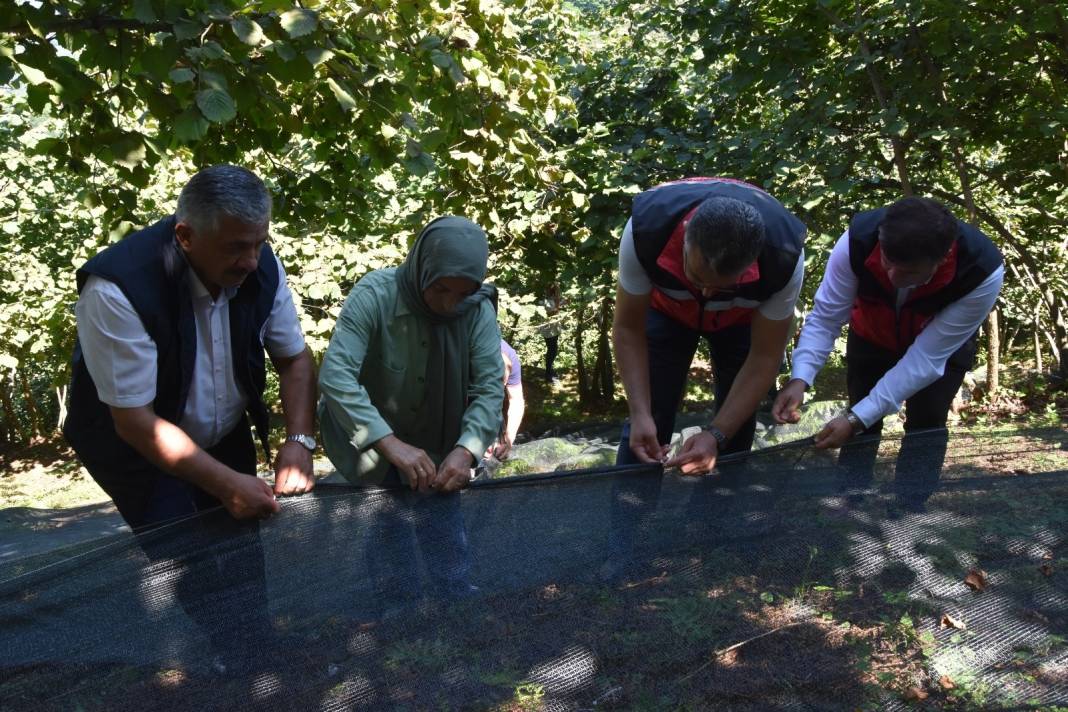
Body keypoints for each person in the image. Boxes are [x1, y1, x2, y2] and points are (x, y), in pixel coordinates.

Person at [62, 164, 317, 670]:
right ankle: (234, 661)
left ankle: (257, 650)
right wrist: (226, 484)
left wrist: (300, 441)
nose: (250, 261)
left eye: (258, 243)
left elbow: (295, 360)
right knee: (184, 552)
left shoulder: (262, 264)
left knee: (243, 537)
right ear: (185, 236)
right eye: (235, 248)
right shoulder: (117, 287)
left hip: (222, 428)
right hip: (132, 442)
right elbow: (135, 422)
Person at [317, 216, 503, 601]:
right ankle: (398, 622)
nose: (450, 303)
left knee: (446, 534)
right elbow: (336, 377)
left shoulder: (476, 309)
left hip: (442, 446)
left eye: (463, 291)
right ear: (422, 268)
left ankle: (454, 607)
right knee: (390, 537)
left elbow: (488, 389)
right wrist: (389, 443)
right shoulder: (374, 296)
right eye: (440, 289)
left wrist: (466, 450)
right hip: (376, 451)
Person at [772, 196, 1003, 477]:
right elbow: (826, 316)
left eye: (909, 272)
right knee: (861, 408)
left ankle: (909, 506)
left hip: (940, 349)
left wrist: (856, 419)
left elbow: (925, 359)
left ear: (942, 259)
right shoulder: (857, 241)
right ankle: (851, 495)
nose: (893, 276)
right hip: (871, 334)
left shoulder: (981, 270)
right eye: (887, 262)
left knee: (927, 420)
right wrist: (801, 378)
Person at [614, 177, 807, 473]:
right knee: (648, 417)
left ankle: (718, 513)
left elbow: (765, 356)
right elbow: (628, 328)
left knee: (736, 427)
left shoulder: (783, 254)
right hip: (667, 310)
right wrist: (639, 412)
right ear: (687, 234)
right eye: (697, 276)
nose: (705, 294)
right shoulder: (645, 230)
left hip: (741, 319)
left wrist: (716, 434)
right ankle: (630, 516)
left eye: (722, 286)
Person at [489, 339, 526, 461]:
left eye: (503, 383)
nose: (500, 388)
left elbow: (516, 400)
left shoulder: (511, 357)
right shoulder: (464, 356)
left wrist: (509, 437)